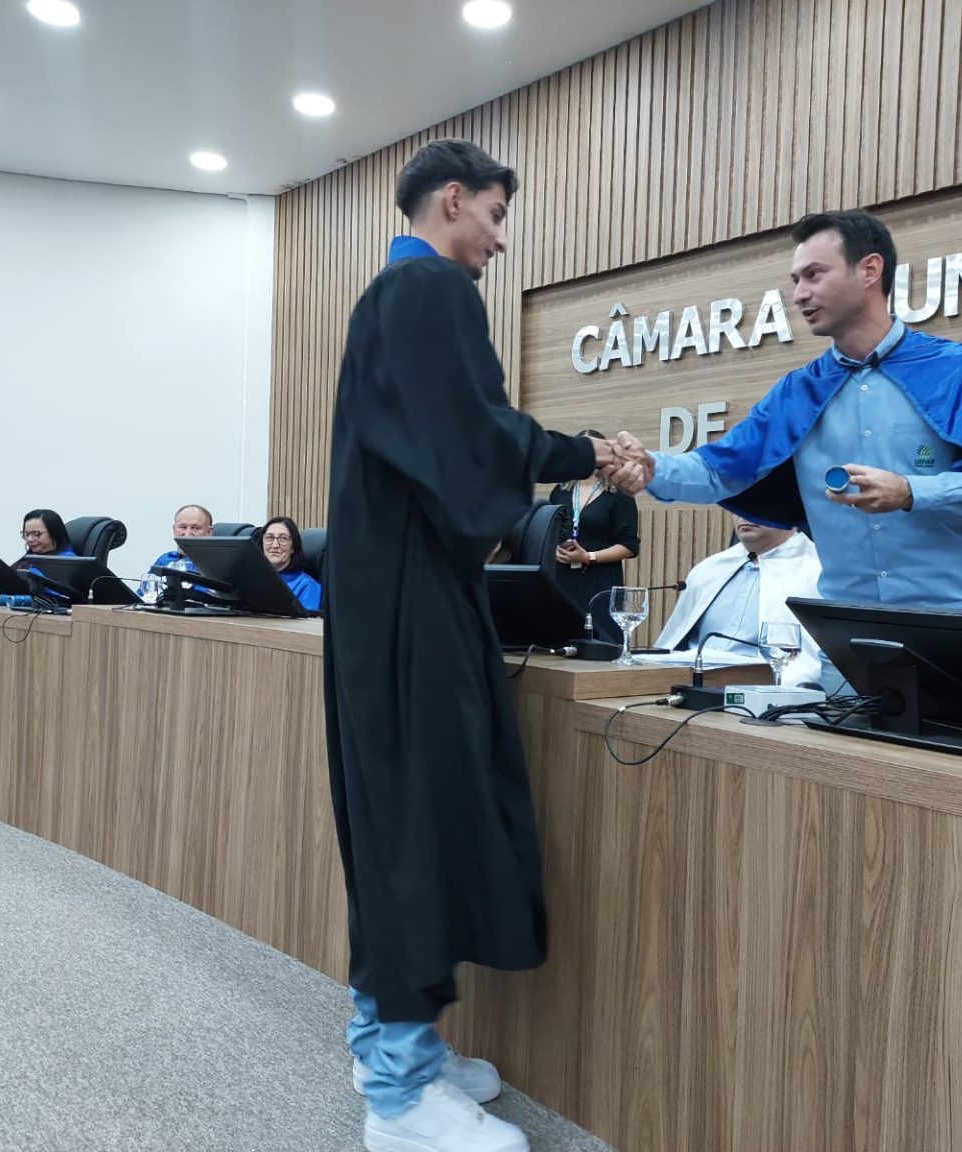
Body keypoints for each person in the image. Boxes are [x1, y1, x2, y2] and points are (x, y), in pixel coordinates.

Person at [324, 138, 613, 1152]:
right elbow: (478, 440)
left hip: (393, 600)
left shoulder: (386, 299)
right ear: (452, 199)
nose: (499, 240)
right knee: (419, 828)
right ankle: (398, 1099)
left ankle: (390, 1047)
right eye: (495, 215)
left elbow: (456, 442)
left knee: (402, 823)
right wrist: (584, 452)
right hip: (412, 606)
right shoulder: (431, 292)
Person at [610, 209, 962, 619]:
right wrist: (653, 468)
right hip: (843, 637)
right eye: (795, 280)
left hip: (955, 631)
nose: (799, 295)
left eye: (814, 275)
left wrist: (912, 491)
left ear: (869, 270)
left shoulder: (958, 369)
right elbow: (718, 470)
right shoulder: (797, 391)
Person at [654, 513, 825, 688]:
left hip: (761, 687)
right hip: (689, 680)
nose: (744, 514)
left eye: (755, 504)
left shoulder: (819, 571)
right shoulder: (709, 568)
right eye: (738, 507)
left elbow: (813, 661)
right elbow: (672, 641)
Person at [546, 430, 639, 641]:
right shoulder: (560, 490)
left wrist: (588, 557)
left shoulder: (620, 492)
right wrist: (553, 549)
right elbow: (549, 530)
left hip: (600, 581)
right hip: (563, 579)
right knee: (561, 642)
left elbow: (629, 546)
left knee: (601, 643)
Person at [258, 515, 321, 612]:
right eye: (269, 538)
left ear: (293, 547)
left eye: (283, 539)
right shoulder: (253, 579)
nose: (275, 545)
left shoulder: (307, 586)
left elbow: (307, 621)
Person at [145, 503, 214, 576]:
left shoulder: (215, 564)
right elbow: (147, 582)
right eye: (183, 527)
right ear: (174, 530)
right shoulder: (165, 559)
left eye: (195, 528)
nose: (187, 534)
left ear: (209, 532)